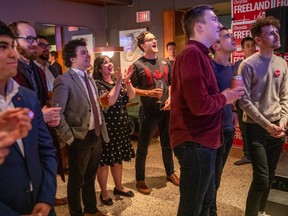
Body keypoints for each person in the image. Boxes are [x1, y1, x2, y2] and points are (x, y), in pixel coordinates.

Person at [170, 5, 244, 215]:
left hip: (202, 141)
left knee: (203, 202)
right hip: (195, 141)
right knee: (192, 206)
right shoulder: (193, 54)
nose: (219, 24)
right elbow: (199, 105)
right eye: (213, 20)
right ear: (199, 26)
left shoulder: (200, 55)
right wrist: (226, 97)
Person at [0, 20, 57, 216]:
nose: (11, 53)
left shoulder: (26, 96)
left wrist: (47, 198)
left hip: (42, 201)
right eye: (2, 47)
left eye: (10, 46)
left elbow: (46, 150)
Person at [52, 38, 109, 216]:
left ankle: (91, 209)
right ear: (72, 59)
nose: (88, 55)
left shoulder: (89, 78)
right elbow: (57, 114)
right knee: (76, 180)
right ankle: (76, 213)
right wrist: (70, 139)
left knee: (90, 176)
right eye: (83, 53)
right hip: (79, 137)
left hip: (96, 134)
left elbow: (94, 106)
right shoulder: (63, 80)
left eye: (87, 52)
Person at [238, 16, 288, 216]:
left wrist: (283, 121)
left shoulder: (282, 63)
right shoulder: (247, 65)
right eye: (270, 33)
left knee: (271, 175)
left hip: (278, 127)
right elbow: (244, 102)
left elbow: (285, 96)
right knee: (261, 178)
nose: (276, 35)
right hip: (256, 128)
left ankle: (260, 211)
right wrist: (267, 125)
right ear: (258, 40)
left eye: (276, 31)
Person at [131, 30, 179, 195]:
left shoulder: (165, 62)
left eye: (155, 38)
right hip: (149, 110)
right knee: (143, 146)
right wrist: (148, 93)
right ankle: (140, 179)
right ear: (143, 46)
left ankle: (170, 173)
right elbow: (131, 89)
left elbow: (171, 83)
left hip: (166, 108)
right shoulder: (137, 65)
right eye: (150, 39)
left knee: (167, 143)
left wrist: (171, 98)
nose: (154, 41)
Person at [93, 56, 135, 206]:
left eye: (109, 61)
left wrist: (127, 81)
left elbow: (131, 95)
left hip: (121, 128)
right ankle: (104, 193)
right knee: (104, 162)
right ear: (98, 69)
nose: (109, 64)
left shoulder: (119, 82)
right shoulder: (98, 84)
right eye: (104, 63)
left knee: (117, 160)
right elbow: (108, 101)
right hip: (107, 129)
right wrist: (118, 82)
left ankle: (119, 187)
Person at [8, 21, 60, 127]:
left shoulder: (39, 71)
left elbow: (44, 105)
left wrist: (53, 119)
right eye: (29, 39)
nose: (35, 44)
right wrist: (38, 116)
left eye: (35, 39)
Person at [209, 27, 237, 216]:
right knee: (210, 177)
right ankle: (210, 210)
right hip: (212, 131)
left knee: (217, 176)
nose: (233, 38)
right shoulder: (209, 68)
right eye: (227, 36)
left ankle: (211, 208)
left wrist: (234, 110)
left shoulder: (232, 68)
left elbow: (232, 96)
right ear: (215, 45)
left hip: (228, 128)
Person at [233, 36, 256, 166]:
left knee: (258, 130)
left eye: (253, 45)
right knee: (244, 130)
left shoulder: (261, 63)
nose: (251, 48)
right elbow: (234, 84)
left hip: (258, 104)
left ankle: (258, 156)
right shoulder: (237, 65)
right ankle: (247, 155)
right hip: (242, 104)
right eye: (248, 46)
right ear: (242, 50)